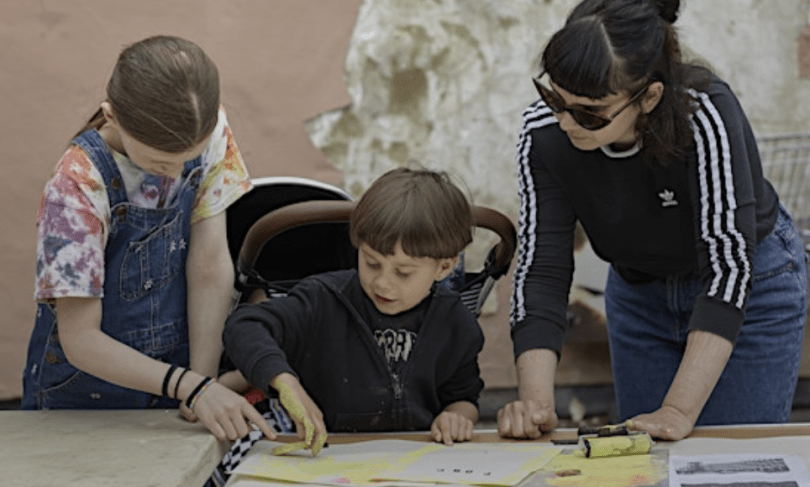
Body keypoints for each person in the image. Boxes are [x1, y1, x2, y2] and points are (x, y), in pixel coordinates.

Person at [499, 0, 808, 441]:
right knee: (645, 462)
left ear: (649, 96)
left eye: (589, 111)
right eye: (553, 97)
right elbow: (542, 268)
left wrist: (678, 409)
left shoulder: (702, 112)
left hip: (748, 284)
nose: (565, 121)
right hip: (640, 292)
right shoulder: (543, 131)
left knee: (730, 463)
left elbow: (727, 265)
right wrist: (535, 406)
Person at [22, 35, 276, 443]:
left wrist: (203, 381)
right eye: (160, 161)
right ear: (112, 116)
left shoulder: (211, 132)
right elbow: (80, 338)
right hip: (85, 392)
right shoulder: (75, 186)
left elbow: (210, 264)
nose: (175, 176)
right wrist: (189, 386)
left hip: (177, 374)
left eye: (186, 159)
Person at [223, 167, 485, 451]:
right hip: (322, 451)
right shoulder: (323, 299)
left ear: (444, 267)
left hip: (412, 456)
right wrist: (285, 383)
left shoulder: (455, 323)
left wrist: (456, 417)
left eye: (403, 273)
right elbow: (245, 325)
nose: (382, 283)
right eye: (371, 263)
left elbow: (463, 397)